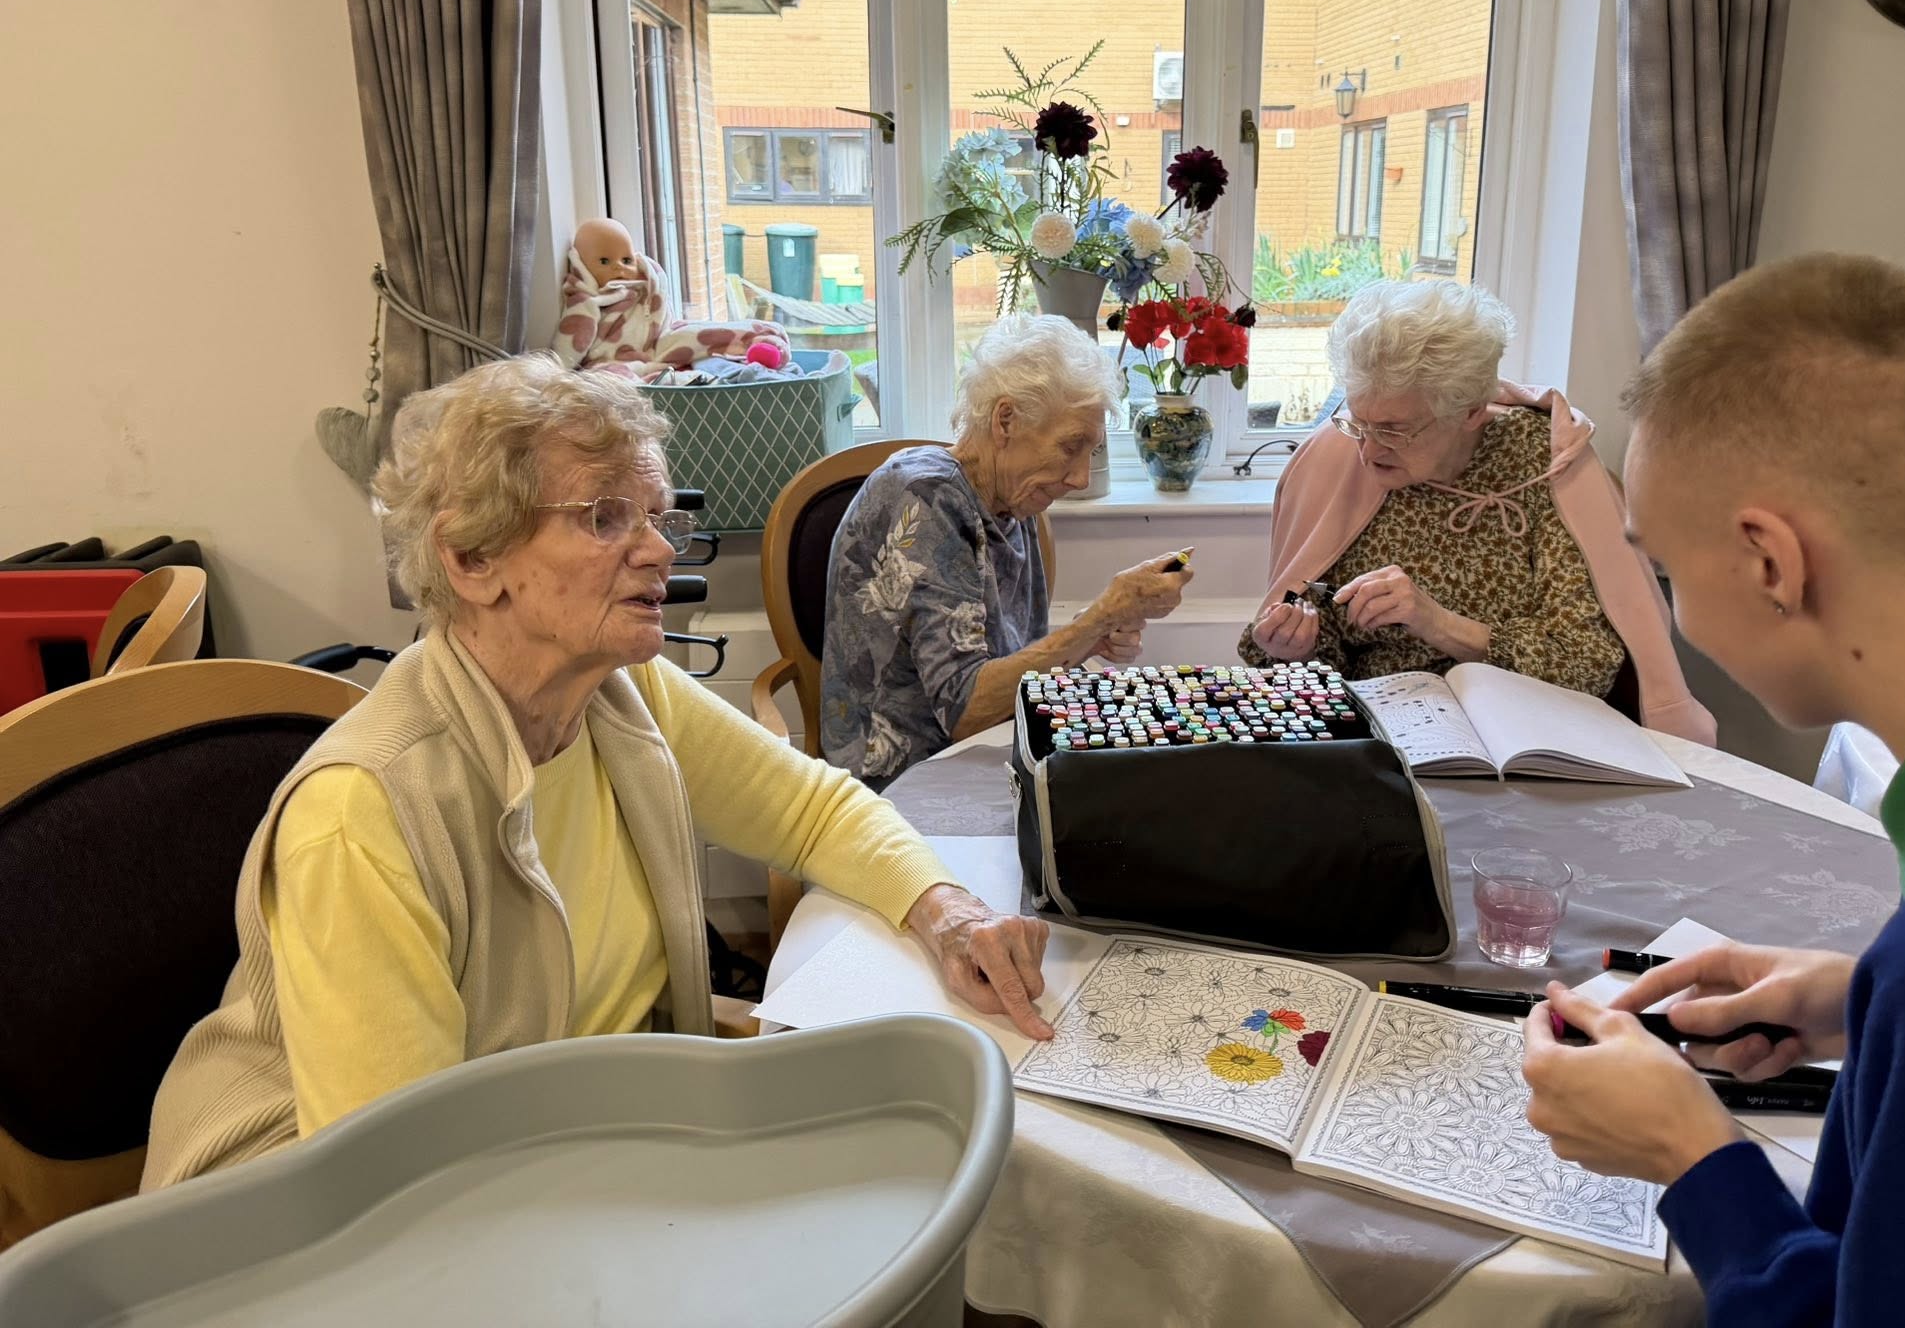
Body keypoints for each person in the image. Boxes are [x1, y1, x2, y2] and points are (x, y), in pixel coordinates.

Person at [142, 354, 1053, 1189]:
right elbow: (406, 1187)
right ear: (472, 559)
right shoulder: (365, 813)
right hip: (307, 1220)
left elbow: (812, 811)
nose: (658, 549)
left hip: (593, 1136)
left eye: (657, 515)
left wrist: (950, 915)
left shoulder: (622, 692)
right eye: (605, 517)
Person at [1520, 254, 1905, 1323]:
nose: (1673, 611)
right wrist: (1864, 1007)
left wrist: (1693, 1160)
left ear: (1770, 563)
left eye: (1667, 572)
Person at [1243, 279, 1712, 741]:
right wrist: (1296, 648)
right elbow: (1321, 661)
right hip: (1383, 735)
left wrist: (1439, 624)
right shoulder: (1336, 460)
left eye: (1394, 430)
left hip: (1530, 733)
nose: (1367, 450)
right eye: (1358, 423)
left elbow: (1587, 663)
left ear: (1470, 412)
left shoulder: (1542, 465)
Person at [822, 314, 1193, 786]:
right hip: (901, 782)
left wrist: (1087, 638)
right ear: (1005, 421)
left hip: (985, 755)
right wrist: (1097, 619)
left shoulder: (1012, 502)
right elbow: (965, 710)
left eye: (1092, 452)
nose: (1081, 478)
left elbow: (999, 668)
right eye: (1070, 447)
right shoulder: (926, 499)